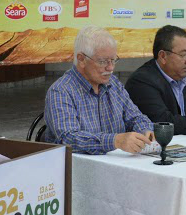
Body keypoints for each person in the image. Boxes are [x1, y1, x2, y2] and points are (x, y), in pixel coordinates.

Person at [43, 26, 154, 154]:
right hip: (75, 168)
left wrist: (145, 130)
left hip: (114, 164)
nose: (110, 68)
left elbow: (136, 117)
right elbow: (68, 139)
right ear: (81, 59)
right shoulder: (61, 91)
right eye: (103, 62)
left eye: (113, 60)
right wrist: (115, 141)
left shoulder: (114, 84)